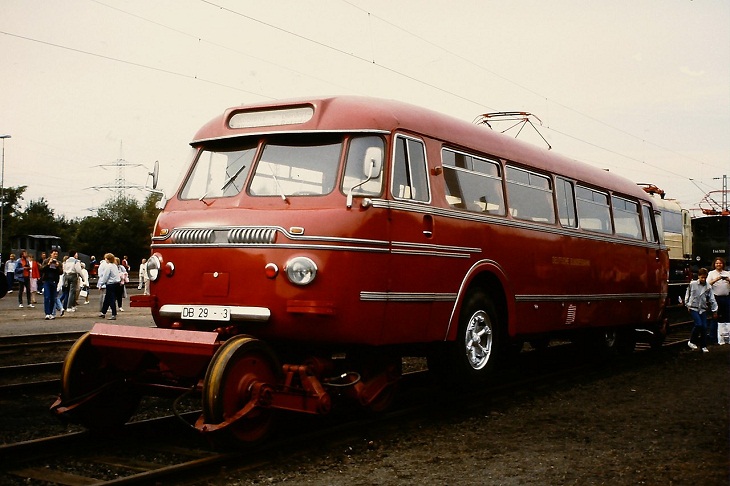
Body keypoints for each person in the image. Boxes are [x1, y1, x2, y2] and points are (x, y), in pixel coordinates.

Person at [685, 268, 718, 352]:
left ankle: (703, 346)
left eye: (704, 277)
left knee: (704, 327)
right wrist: (687, 304)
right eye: (701, 277)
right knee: (699, 324)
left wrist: (714, 310)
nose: (703, 279)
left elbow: (712, 298)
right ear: (698, 276)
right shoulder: (692, 284)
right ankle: (692, 341)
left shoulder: (708, 287)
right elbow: (687, 294)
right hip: (693, 307)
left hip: (702, 308)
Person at [708, 257, 730, 345]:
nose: (718, 265)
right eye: (717, 263)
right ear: (714, 264)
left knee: (727, 317)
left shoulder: (727, 273)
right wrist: (717, 279)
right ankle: (713, 337)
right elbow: (707, 284)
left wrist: (727, 279)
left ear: (723, 264)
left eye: (720, 263)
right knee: (716, 317)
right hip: (716, 298)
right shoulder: (711, 273)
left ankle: (726, 337)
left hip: (727, 297)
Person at [40, 250, 62, 320]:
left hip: (54, 281)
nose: (55, 255)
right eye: (54, 254)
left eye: (56, 254)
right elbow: (42, 269)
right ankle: (47, 313)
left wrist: (58, 266)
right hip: (47, 280)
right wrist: (48, 264)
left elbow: (61, 272)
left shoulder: (59, 262)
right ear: (51, 254)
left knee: (53, 298)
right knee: (47, 297)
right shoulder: (46, 261)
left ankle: (51, 313)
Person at [97, 253, 120, 320]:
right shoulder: (114, 266)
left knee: (111, 299)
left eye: (106, 258)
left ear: (108, 259)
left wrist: (101, 284)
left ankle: (114, 314)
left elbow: (105, 276)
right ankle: (103, 312)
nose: (105, 260)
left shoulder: (108, 266)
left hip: (110, 284)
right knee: (107, 299)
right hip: (116, 284)